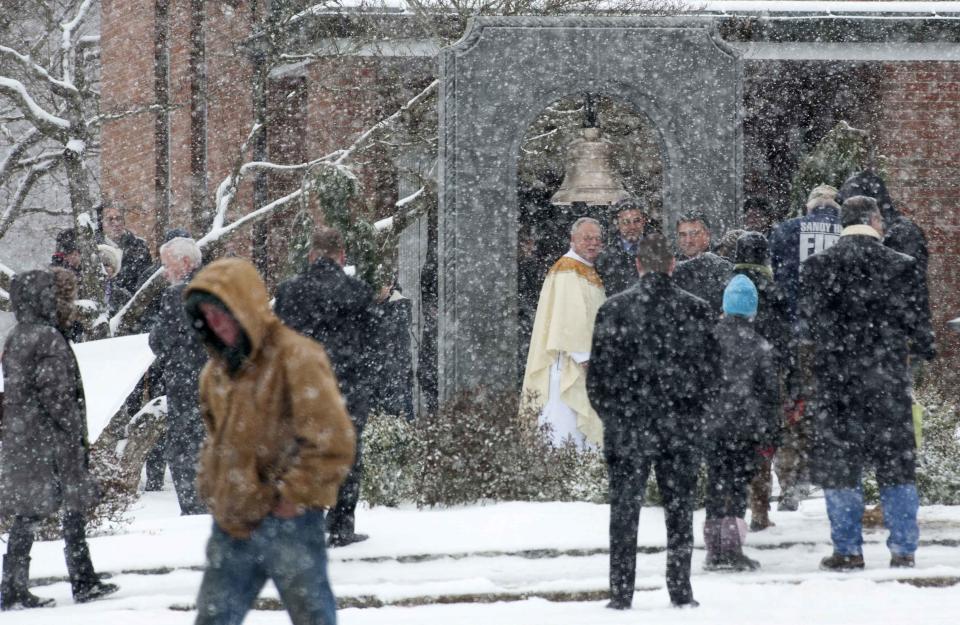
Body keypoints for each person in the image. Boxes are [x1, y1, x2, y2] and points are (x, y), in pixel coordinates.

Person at [183, 257, 355, 625]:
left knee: (313, 618)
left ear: (245, 307)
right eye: (208, 316)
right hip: (232, 522)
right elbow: (215, 439)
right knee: (212, 619)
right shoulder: (215, 372)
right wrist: (213, 487)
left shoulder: (297, 357)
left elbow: (333, 440)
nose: (216, 324)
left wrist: (292, 497)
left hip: (289, 523)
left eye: (223, 313)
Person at [799, 196, 935, 571]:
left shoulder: (816, 267)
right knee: (896, 468)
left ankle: (847, 549)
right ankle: (904, 548)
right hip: (887, 382)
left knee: (842, 468)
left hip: (837, 383)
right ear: (875, 220)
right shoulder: (902, 267)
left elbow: (808, 327)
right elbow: (921, 333)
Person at [587, 233, 718, 609]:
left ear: (638, 264)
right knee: (679, 511)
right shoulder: (696, 310)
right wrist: (694, 416)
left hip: (629, 425)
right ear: (673, 265)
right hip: (679, 426)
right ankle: (680, 588)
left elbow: (598, 378)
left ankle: (621, 592)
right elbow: (711, 374)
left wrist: (615, 417)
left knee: (624, 511)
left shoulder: (613, 310)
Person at [1, 270, 118, 610]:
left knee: (29, 511)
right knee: (72, 506)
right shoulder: (48, 338)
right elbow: (57, 395)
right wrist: (75, 432)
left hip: (25, 437)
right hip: (52, 439)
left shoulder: (17, 335)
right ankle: (82, 580)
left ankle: (13, 586)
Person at [275, 226, 379, 547]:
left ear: (311, 255)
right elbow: (372, 344)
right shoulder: (358, 292)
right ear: (342, 256)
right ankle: (340, 526)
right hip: (346, 386)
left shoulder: (289, 292)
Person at [768, 184, 841, 511]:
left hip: (795, 335)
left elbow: (778, 281)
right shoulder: (847, 232)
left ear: (808, 207)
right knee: (835, 408)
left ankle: (792, 481)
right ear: (835, 207)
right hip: (838, 340)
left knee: (793, 407)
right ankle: (837, 479)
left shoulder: (786, 231)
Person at [703, 275, 780, 571]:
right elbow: (770, 395)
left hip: (712, 427)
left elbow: (696, 385)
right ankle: (731, 548)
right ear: (752, 309)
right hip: (745, 429)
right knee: (736, 487)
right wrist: (771, 432)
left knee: (715, 484)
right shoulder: (760, 345)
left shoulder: (709, 338)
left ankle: (713, 550)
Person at [520, 217, 606, 450]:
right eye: (587, 238)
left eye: (597, 239)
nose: (593, 243)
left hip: (584, 363)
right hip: (569, 364)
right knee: (565, 432)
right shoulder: (568, 269)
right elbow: (569, 320)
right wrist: (585, 357)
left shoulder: (586, 270)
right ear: (573, 240)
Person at [731, 232, 794, 530]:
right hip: (768, 373)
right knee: (764, 443)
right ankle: (760, 509)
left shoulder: (728, 286)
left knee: (732, 442)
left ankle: (731, 507)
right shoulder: (776, 291)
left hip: (731, 375)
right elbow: (785, 338)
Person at [148, 237, 207, 515]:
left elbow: (158, 340)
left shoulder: (177, 295)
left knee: (184, 446)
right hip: (215, 381)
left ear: (184, 263)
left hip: (185, 380)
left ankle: (193, 507)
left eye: (167, 265)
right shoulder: (218, 287)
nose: (165, 272)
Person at [672, 212, 732, 312]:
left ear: (707, 235)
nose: (688, 240)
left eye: (694, 234)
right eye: (683, 235)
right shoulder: (671, 266)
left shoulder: (724, 263)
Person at [595, 198, 648, 296]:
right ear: (617, 224)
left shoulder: (659, 253)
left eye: (636, 221)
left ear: (643, 222)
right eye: (626, 222)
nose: (632, 227)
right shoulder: (603, 257)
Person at [101, 203, 153, 296]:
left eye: (118, 218)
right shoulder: (98, 250)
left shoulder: (139, 245)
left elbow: (147, 277)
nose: (116, 223)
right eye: (110, 220)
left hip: (136, 300)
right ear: (102, 224)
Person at [97, 244, 131, 316]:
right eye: (99, 264)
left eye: (106, 264)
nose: (102, 268)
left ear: (113, 269)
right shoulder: (84, 291)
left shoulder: (122, 295)